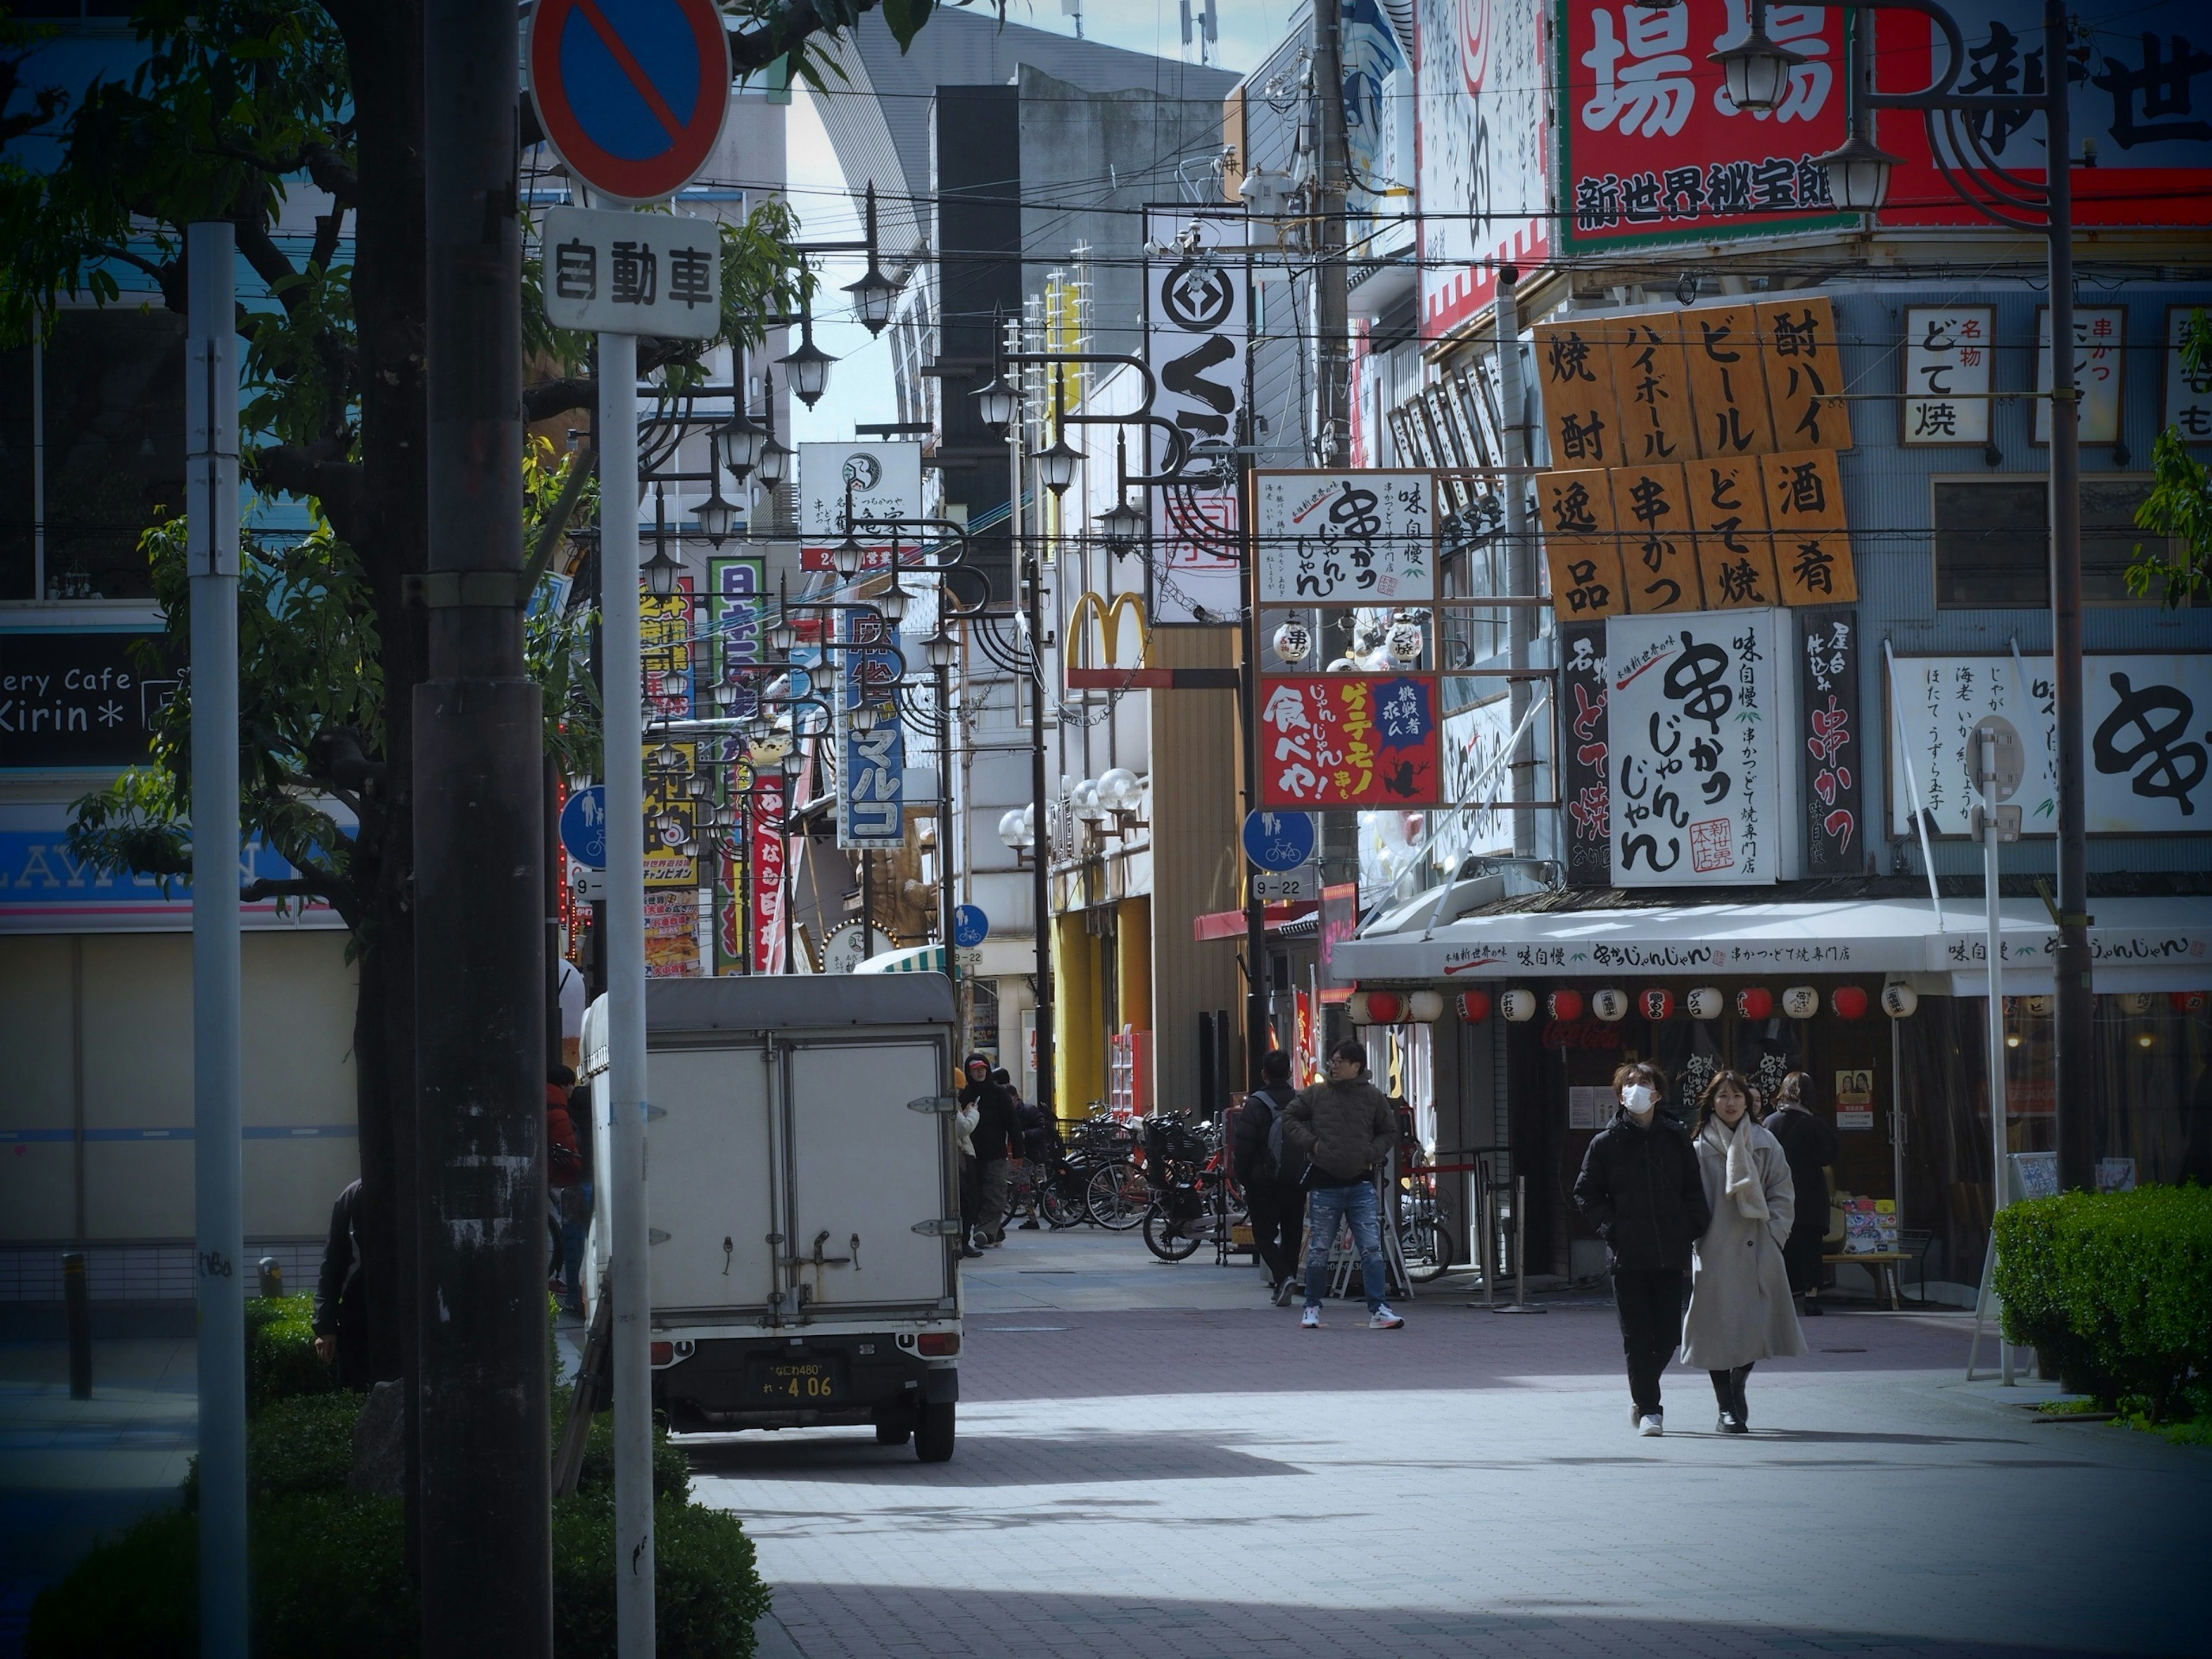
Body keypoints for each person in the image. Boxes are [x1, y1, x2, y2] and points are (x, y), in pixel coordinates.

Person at [1573, 1062, 1711, 1437]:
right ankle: (1650, 1409)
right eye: (1629, 1084)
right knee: (1637, 1336)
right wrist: (1612, 1229)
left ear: (1658, 1093)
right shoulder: (1606, 1143)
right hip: (1627, 1256)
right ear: (1620, 1096)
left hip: (1669, 1252)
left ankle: (1643, 1393)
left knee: (1668, 1334)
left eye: (1644, 1083)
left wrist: (1692, 1226)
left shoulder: (1675, 1137)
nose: (1637, 1089)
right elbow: (1585, 1193)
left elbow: (1694, 1190)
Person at [1680, 1069, 1806, 1434]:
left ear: (1749, 1102)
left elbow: (1783, 1191)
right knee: (1715, 1329)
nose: (1731, 1103)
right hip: (1714, 1251)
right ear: (1711, 1103)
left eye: (1737, 1096)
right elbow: (1689, 1199)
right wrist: (1695, 1239)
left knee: (1758, 1324)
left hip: (1759, 1248)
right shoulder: (1699, 1148)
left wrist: (1775, 1232)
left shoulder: (1766, 1142)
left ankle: (1739, 1382)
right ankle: (1725, 1408)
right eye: (1723, 1097)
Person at [1281, 1039, 1403, 1330]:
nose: (1334, 1066)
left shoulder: (1372, 1097)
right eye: (1333, 1061)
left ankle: (1379, 1309)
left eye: (1340, 1062)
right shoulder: (1317, 1093)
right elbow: (1289, 1116)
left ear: (1356, 1066)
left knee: (1371, 1248)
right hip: (1324, 1184)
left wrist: (1370, 1153)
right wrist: (1313, 1144)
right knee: (1319, 1249)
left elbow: (1389, 1131)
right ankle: (1311, 1307)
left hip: (1361, 1183)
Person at [1762, 1071, 1840, 1316]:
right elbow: (1829, 1155)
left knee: (1780, 1247)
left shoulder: (1770, 1123)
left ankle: (1779, 1299)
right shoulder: (1815, 1123)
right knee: (1811, 1249)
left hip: (1777, 1194)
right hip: (1810, 1195)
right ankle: (1811, 1298)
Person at [1233, 1051, 1307, 1305]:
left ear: (1264, 1074)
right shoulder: (1301, 1101)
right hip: (1296, 1181)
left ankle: (1284, 1278)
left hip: (1263, 1182)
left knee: (1264, 1236)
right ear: (1288, 1073)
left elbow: (1243, 1147)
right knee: (1292, 1233)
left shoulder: (1256, 1104)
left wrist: (1244, 1179)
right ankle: (1285, 1282)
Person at [958, 1054, 1021, 1247]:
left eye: (983, 1068)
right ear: (969, 1072)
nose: (980, 1072)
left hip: (995, 1153)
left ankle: (985, 1231)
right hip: (970, 1154)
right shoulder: (964, 1095)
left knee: (996, 1192)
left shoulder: (999, 1093)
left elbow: (1013, 1122)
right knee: (975, 1194)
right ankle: (991, 1230)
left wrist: (1018, 1151)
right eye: (976, 1069)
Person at [312, 1178, 370, 1388]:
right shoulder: (354, 1195)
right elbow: (333, 1264)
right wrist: (325, 1326)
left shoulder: (353, 1194)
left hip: (360, 1318)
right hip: (360, 1320)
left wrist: (325, 1327)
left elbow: (331, 1265)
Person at [547, 1066, 590, 1314]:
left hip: (569, 1184)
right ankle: (577, 1294)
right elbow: (569, 1149)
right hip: (582, 1179)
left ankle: (575, 1295)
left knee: (573, 1239)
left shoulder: (557, 1106)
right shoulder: (561, 1109)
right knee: (581, 1239)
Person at [1007, 1069, 1059, 1230]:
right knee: (1024, 1189)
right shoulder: (1010, 1113)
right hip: (1022, 1157)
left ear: (1017, 1098)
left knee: (1042, 1187)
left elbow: (1042, 1129)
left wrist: (1025, 1135)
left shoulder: (1030, 1111)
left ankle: (1056, 1214)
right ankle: (1032, 1219)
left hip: (1036, 1156)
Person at [953, 1092, 984, 1260]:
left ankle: (963, 1240)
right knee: (968, 1200)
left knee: (967, 1200)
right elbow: (964, 1127)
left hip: (964, 1154)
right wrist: (973, 1113)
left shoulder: (953, 1104)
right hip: (963, 1155)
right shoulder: (950, 1102)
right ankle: (963, 1241)